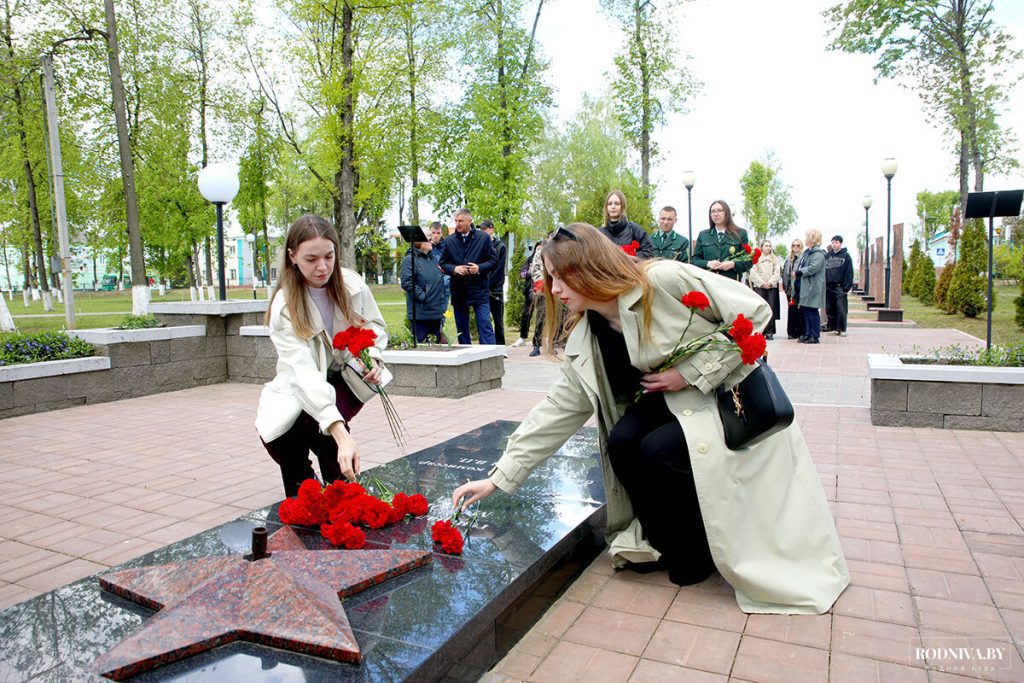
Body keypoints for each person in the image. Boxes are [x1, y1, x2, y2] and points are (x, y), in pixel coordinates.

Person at [450, 223, 849, 613]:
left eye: (561, 278)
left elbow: (755, 312)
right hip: (668, 402)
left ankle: (705, 549)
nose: (554, 290)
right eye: (551, 279)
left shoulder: (662, 280)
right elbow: (557, 408)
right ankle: (672, 545)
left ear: (589, 268)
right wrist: (499, 476)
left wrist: (689, 372)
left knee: (659, 450)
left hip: (718, 396)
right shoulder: (588, 334)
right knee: (621, 444)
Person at [255, 215, 387, 496]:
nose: (323, 267)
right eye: (311, 259)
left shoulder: (352, 285)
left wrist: (372, 356)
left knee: (330, 451)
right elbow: (303, 374)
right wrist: (341, 433)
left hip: (342, 381)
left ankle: (342, 496)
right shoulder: (284, 308)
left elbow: (374, 325)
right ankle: (305, 501)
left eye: (329, 256)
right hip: (299, 389)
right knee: (288, 444)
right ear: (292, 257)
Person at [439, 208, 497, 344]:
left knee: (485, 325)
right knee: (462, 329)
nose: (457, 224)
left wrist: (479, 268)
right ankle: (466, 357)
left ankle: (488, 356)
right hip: (459, 291)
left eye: (460, 221)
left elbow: (493, 261)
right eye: (456, 221)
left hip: (479, 289)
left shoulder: (483, 238)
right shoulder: (449, 241)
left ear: (469, 221)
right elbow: (442, 263)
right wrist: (454, 269)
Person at [400, 237, 447, 343]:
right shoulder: (410, 259)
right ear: (419, 242)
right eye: (428, 239)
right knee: (422, 345)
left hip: (435, 311)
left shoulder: (432, 258)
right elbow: (407, 282)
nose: (431, 241)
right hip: (421, 313)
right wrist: (423, 297)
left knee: (436, 346)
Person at [691, 200, 752, 281]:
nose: (716, 214)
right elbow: (694, 261)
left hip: (731, 283)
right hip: (709, 283)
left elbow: (748, 262)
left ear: (727, 212)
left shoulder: (740, 233)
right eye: (713, 211)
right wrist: (708, 263)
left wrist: (733, 264)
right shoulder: (703, 235)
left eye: (719, 210)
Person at [598, 190, 654, 259]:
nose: (613, 206)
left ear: (623, 206)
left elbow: (648, 252)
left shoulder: (634, 229)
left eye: (617, 203)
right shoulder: (599, 233)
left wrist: (629, 257)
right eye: (609, 204)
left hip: (630, 269)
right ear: (606, 207)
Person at [796, 230, 827, 344]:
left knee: (812, 311)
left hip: (813, 286)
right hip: (806, 285)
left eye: (807, 236)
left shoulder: (818, 254)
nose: (805, 238)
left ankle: (814, 335)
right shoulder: (807, 252)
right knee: (806, 310)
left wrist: (801, 272)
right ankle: (807, 333)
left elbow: (814, 267)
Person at [480, 219, 507, 345]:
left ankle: (501, 347)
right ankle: (484, 345)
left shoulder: (500, 247)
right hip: (482, 289)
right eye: (481, 230)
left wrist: (488, 284)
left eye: (484, 229)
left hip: (495, 289)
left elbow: (499, 269)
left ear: (491, 229)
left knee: (498, 320)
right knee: (484, 320)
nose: (482, 232)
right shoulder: (480, 246)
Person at [748, 238, 781, 340]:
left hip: (771, 287)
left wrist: (770, 283)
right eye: (766, 245)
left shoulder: (775, 259)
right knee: (760, 309)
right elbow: (753, 272)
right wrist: (762, 283)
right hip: (759, 287)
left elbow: (777, 272)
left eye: (770, 246)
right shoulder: (756, 258)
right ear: (761, 247)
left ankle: (769, 331)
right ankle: (760, 331)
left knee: (770, 309)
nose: (768, 247)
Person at [824, 235, 854, 336]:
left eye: (836, 242)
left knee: (841, 308)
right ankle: (834, 328)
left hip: (839, 286)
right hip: (828, 286)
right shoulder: (827, 256)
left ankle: (842, 329)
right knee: (830, 308)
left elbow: (849, 272)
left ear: (840, 243)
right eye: (832, 242)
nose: (834, 244)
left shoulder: (846, 256)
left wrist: (846, 287)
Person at [781, 238, 804, 339]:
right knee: (791, 310)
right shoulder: (788, 258)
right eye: (793, 245)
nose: (795, 247)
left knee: (799, 310)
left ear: (801, 247)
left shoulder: (803, 258)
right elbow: (785, 274)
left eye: (797, 245)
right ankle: (791, 332)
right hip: (789, 289)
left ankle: (799, 331)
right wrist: (786, 287)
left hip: (799, 288)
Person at [429, 221, 450, 312]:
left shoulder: (448, 246)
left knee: (442, 314)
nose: (436, 235)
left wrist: (445, 281)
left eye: (438, 233)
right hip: (428, 286)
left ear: (442, 233)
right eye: (433, 233)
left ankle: (441, 326)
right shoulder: (425, 246)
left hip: (444, 287)